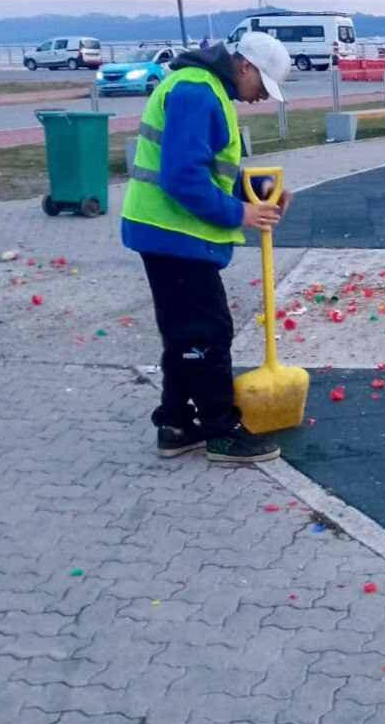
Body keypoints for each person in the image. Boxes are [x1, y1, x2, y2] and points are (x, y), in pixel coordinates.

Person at [122, 31, 295, 461]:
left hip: (170, 233)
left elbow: (213, 169)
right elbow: (183, 177)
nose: (261, 97)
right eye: (262, 86)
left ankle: (176, 423)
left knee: (185, 333)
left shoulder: (206, 88)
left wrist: (260, 191)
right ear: (245, 66)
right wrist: (240, 213)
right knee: (207, 333)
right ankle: (220, 430)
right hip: (173, 234)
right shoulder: (197, 92)